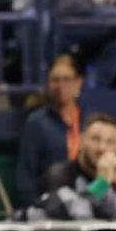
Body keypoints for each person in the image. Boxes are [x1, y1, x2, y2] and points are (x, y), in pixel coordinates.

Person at [17, 54, 85, 206]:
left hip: (88, 200)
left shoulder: (89, 120)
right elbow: (26, 173)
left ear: (78, 82)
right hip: (50, 204)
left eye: (66, 79)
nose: (60, 85)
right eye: (55, 80)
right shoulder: (36, 122)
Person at [28, 113, 116, 221]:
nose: (102, 148)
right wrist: (102, 183)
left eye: (110, 142)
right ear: (81, 141)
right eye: (95, 139)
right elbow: (77, 213)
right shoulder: (59, 174)